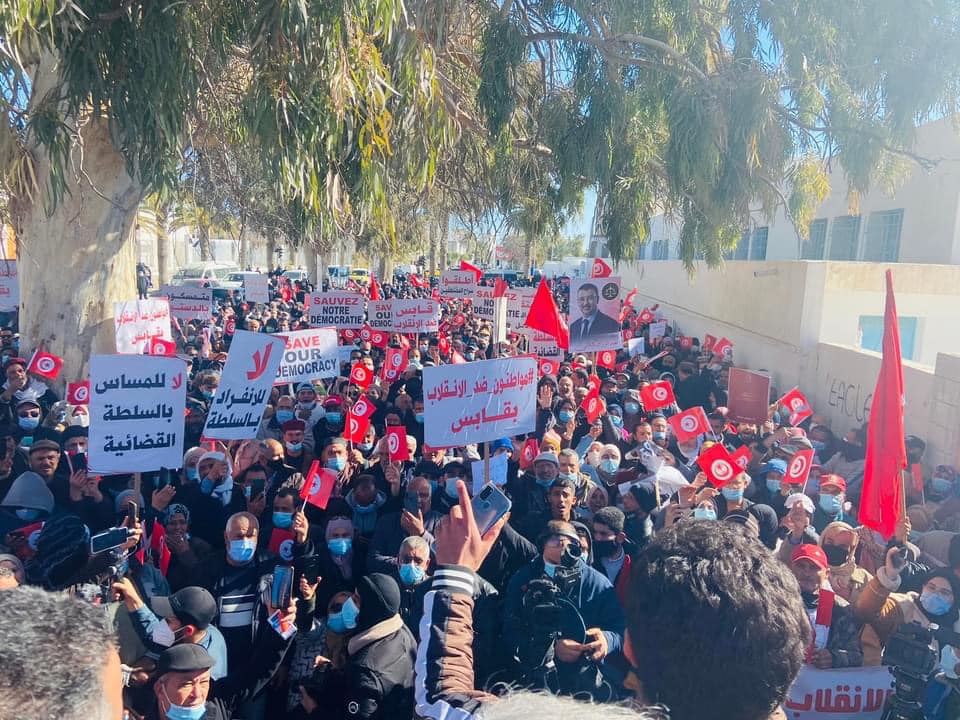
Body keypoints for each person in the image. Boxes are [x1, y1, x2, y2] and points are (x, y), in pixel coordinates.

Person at [503, 519, 624, 697]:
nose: (563, 543)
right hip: (534, 683)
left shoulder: (598, 583)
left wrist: (606, 640)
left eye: (571, 541)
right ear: (542, 544)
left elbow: (620, 629)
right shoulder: (522, 579)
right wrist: (550, 647)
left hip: (586, 682)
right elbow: (509, 630)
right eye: (555, 539)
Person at [113, 579, 230, 680]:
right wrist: (132, 598)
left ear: (188, 630)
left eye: (168, 621)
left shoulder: (202, 672)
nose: (163, 623)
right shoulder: (197, 630)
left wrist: (157, 676)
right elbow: (153, 635)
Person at [340, 573, 417, 720]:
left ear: (370, 610)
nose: (349, 603)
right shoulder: (404, 634)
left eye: (356, 600)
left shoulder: (365, 671)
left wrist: (315, 710)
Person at [788, 544, 863, 669]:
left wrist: (834, 658)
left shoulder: (840, 608)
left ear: (826, 573)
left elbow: (856, 656)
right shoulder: (778, 603)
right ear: (790, 569)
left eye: (814, 568)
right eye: (801, 566)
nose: (806, 573)